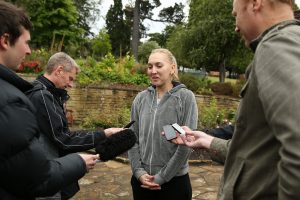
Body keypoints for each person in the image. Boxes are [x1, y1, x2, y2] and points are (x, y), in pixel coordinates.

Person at [170, 0, 300, 199]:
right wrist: (209, 141)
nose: (236, 27)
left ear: (256, 3)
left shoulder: (275, 46)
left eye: (235, 15)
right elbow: (261, 152)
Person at [0, 1, 99, 199]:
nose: (28, 50)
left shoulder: (39, 92)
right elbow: (60, 141)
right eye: (26, 42)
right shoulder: (34, 96)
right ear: (5, 40)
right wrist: (86, 154)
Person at [26, 52, 124, 200]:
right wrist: (104, 134)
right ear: (59, 71)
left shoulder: (45, 92)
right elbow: (63, 139)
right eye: (70, 78)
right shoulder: (43, 96)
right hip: (45, 174)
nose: (71, 84)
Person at [128, 48, 198, 200]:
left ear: (172, 68)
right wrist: (139, 173)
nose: (153, 71)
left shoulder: (185, 98)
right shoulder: (140, 99)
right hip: (142, 182)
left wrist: (161, 177)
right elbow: (132, 138)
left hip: (174, 184)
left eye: (159, 65)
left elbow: (186, 144)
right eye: (150, 66)